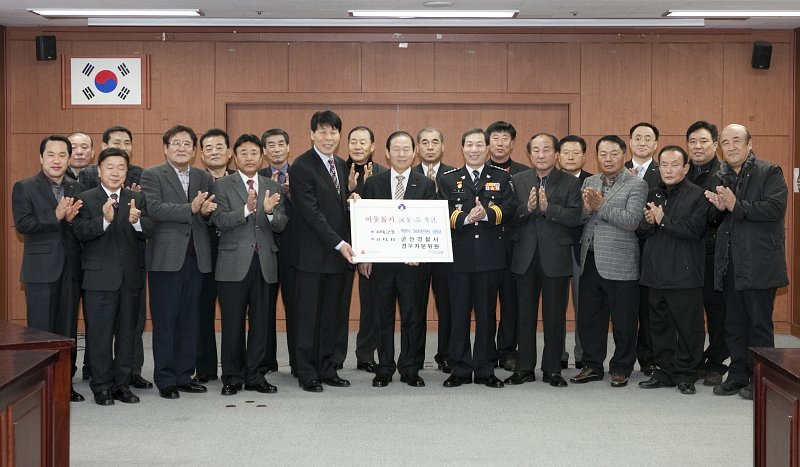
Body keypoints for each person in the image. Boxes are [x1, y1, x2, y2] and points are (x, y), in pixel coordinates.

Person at [705, 124, 788, 400]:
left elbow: (775, 208)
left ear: (749, 144)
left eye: (736, 141)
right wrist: (718, 210)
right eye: (725, 143)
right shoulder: (720, 175)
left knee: (759, 324)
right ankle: (738, 373)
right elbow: (716, 220)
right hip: (729, 263)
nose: (730, 147)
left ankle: (761, 378)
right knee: (734, 324)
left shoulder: (770, 171)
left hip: (759, 262)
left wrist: (735, 205)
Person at [140, 125, 216, 399]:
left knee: (189, 320)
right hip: (166, 260)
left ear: (194, 151)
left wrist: (206, 212)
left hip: (197, 259)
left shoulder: (202, 177)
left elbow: (207, 214)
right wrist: (192, 209)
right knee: (166, 321)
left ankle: (185, 375)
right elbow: (154, 209)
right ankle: (166, 378)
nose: (182, 148)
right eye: (176, 143)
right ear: (166, 147)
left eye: (187, 144)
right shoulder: (151, 175)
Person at [72, 147, 152, 405]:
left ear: (127, 172)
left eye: (121, 168)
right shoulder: (86, 198)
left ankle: (122, 385)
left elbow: (149, 229)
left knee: (128, 334)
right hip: (98, 280)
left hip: (130, 279)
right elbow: (81, 232)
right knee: (100, 335)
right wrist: (104, 221)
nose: (115, 172)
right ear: (99, 171)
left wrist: (137, 221)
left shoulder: (136, 199)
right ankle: (102, 386)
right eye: (110, 167)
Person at [438, 128, 516, 389]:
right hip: (458, 258)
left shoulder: (501, 178)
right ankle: (459, 369)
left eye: (479, 145)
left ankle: (484, 369)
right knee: (458, 315)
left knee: (486, 315)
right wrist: (464, 218)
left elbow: (509, 207)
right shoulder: (449, 179)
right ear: (462, 148)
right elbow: (441, 211)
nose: (474, 149)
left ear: (487, 148)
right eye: (469, 144)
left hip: (489, 258)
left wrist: (485, 215)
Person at [211, 134, 288, 396]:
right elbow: (218, 221)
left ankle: (256, 375)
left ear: (262, 155)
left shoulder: (273, 185)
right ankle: (232, 376)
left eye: (254, 152)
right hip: (232, 263)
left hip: (265, 263)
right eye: (243, 152)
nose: (249, 157)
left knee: (261, 322)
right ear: (234, 155)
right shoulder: (222, 185)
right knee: (232, 323)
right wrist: (245, 210)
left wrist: (267, 211)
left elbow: (281, 223)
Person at [359, 131, 437, 388]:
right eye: (396, 149)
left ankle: (411, 368)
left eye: (406, 149)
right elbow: (366, 224)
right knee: (382, 317)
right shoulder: (373, 183)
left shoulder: (425, 184)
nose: (401, 154)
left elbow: (431, 224)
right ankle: (384, 368)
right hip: (381, 265)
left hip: (413, 265)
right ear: (387, 152)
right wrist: (364, 256)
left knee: (413, 318)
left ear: (414, 153)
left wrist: (422, 254)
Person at [12, 135, 85, 402]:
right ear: (41, 157)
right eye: (51, 155)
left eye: (62, 155)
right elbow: (23, 224)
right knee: (41, 330)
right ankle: (40, 386)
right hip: (41, 269)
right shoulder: (24, 187)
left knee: (66, 330)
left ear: (69, 159)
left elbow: (81, 228)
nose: (56, 160)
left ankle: (64, 385)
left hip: (71, 268)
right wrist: (55, 217)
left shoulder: (77, 187)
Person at [570, 135, 647, 388]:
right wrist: (588, 210)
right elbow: (580, 218)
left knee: (624, 320)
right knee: (590, 318)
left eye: (614, 153)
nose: (608, 158)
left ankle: (621, 367)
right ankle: (592, 365)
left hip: (621, 262)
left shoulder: (636, 184)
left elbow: (632, 220)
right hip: (589, 260)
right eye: (603, 154)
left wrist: (600, 206)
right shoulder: (590, 181)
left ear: (624, 155)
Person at [289, 110, 357, 393]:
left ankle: (327, 368)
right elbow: (311, 213)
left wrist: (351, 198)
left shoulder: (341, 165)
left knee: (332, 317)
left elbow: (336, 208)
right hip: (312, 256)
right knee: (307, 318)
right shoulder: (302, 167)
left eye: (333, 132)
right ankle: (306, 372)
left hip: (337, 260)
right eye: (323, 132)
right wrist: (340, 244)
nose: (328, 138)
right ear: (312, 134)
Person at [506, 133, 582, 387]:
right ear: (529, 154)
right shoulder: (517, 180)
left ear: (556, 154)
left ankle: (552, 370)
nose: (541, 154)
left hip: (556, 257)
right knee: (524, 316)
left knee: (555, 316)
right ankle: (524, 367)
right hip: (524, 257)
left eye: (546, 149)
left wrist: (549, 209)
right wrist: (527, 209)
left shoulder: (571, 182)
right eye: (536, 150)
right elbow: (509, 218)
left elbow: (575, 217)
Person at [636, 146, 708, 395]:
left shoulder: (698, 195)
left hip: (684, 275)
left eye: (674, 164)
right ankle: (664, 371)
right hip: (655, 273)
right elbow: (643, 232)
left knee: (689, 327)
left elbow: (694, 230)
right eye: (664, 164)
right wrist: (647, 223)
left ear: (686, 168)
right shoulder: (654, 193)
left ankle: (687, 373)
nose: (668, 170)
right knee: (659, 326)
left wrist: (663, 220)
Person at [337, 125, 386, 372]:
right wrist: (349, 190)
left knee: (371, 305)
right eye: (353, 141)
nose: (358, 146)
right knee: (337, 304)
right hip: (340, 246)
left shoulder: (382, 173)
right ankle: (334, 357)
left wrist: (365, 191)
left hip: (372, 248)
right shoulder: (335, 170)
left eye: (363, 142)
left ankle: (365, 355)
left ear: (373, 146)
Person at [684, 120, 728, 387]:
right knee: (689, 309)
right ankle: (693, 359)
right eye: (692, 142)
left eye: (703, 141)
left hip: (713, 251)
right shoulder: (682, 170)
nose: (697, 147)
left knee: (716, 310)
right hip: (686, 251)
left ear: (715, 144)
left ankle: (716, 361)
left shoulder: (722, 174)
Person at [486, 121, 529, 372]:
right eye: (496, 138)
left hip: (515, 246)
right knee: (486, 301)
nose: (500, 143)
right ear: (488, 142)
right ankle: (487, 350)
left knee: (511, 302)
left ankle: (507, 351)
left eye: (505, 139)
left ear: (513, 143)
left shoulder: (524, 172)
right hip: (487, 246)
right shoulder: (478, 171)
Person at [193, 128, 234, 383]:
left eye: (219, 147)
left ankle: (234, 367)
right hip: (204, 257)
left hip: (233, 257)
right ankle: (205, 369)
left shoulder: (240, 181)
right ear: (202, 155)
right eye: (209, 148)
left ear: (229, 153)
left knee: (234, 314)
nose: (214, 152)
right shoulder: (195, 182)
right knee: (202, 314)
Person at [412, 127, 455, 373]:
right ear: (418, 148)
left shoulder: (454, 175)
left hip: (444, 252)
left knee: (446, 306)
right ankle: (415, 358)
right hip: (415, 252)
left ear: (443, 146)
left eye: (435, 142)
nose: (430, 147)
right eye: (425, 142)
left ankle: (445, 355)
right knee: (415, 306)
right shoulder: (406, 174)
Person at [625, 122, 662, 376]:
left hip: (652, 247)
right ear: (630, 142)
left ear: (655, 144)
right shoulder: (616, 168)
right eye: (637, 137)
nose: (642, 142)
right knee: (626, 306)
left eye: (648, 138)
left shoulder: (664, 172)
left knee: (650, 306)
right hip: (622, 247)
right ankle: (624, 356)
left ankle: (648, 357)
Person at [258, 128, 294, 374]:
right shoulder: (256, 176)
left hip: (295, 252)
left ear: (288, 147)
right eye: (271, 145)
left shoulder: (301, 174)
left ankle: (297, 362)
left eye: (281, 143)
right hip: (263, 252)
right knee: (264, 308)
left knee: (295, 309)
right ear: (264, 151)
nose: (277, 149)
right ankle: (266, 361)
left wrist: (292, 195)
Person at [556, 134, 593, 370]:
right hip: (555, 250)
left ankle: (583, 353)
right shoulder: (550, 180)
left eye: (576, 152)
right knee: (556, 305)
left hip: (584, 250)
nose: (570, 157)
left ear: (584, 156)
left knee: (584, 305)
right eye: (566, 152)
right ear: (558, 156)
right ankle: (558, 353)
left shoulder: (594, 181)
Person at [79, 125, 144, 191]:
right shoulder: (88, 173)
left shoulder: (140, 173)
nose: (123, 148)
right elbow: (85, 199)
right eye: (117, 143)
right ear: (104, 146)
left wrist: (136, 198)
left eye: (127, 143)